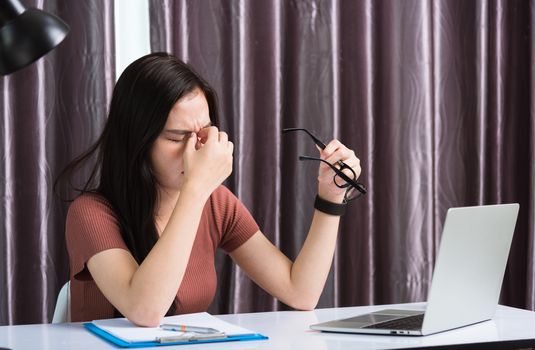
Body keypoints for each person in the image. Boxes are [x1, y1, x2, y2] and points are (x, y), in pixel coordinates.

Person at [58, 52, 362, 326]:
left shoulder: (215, 203)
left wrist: (331, 197)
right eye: (177, 139)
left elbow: (300, 292)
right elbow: (144, 311)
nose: (195, 150)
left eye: (203, 133)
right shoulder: (90, 214)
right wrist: (195, 189)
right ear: (136, 142)